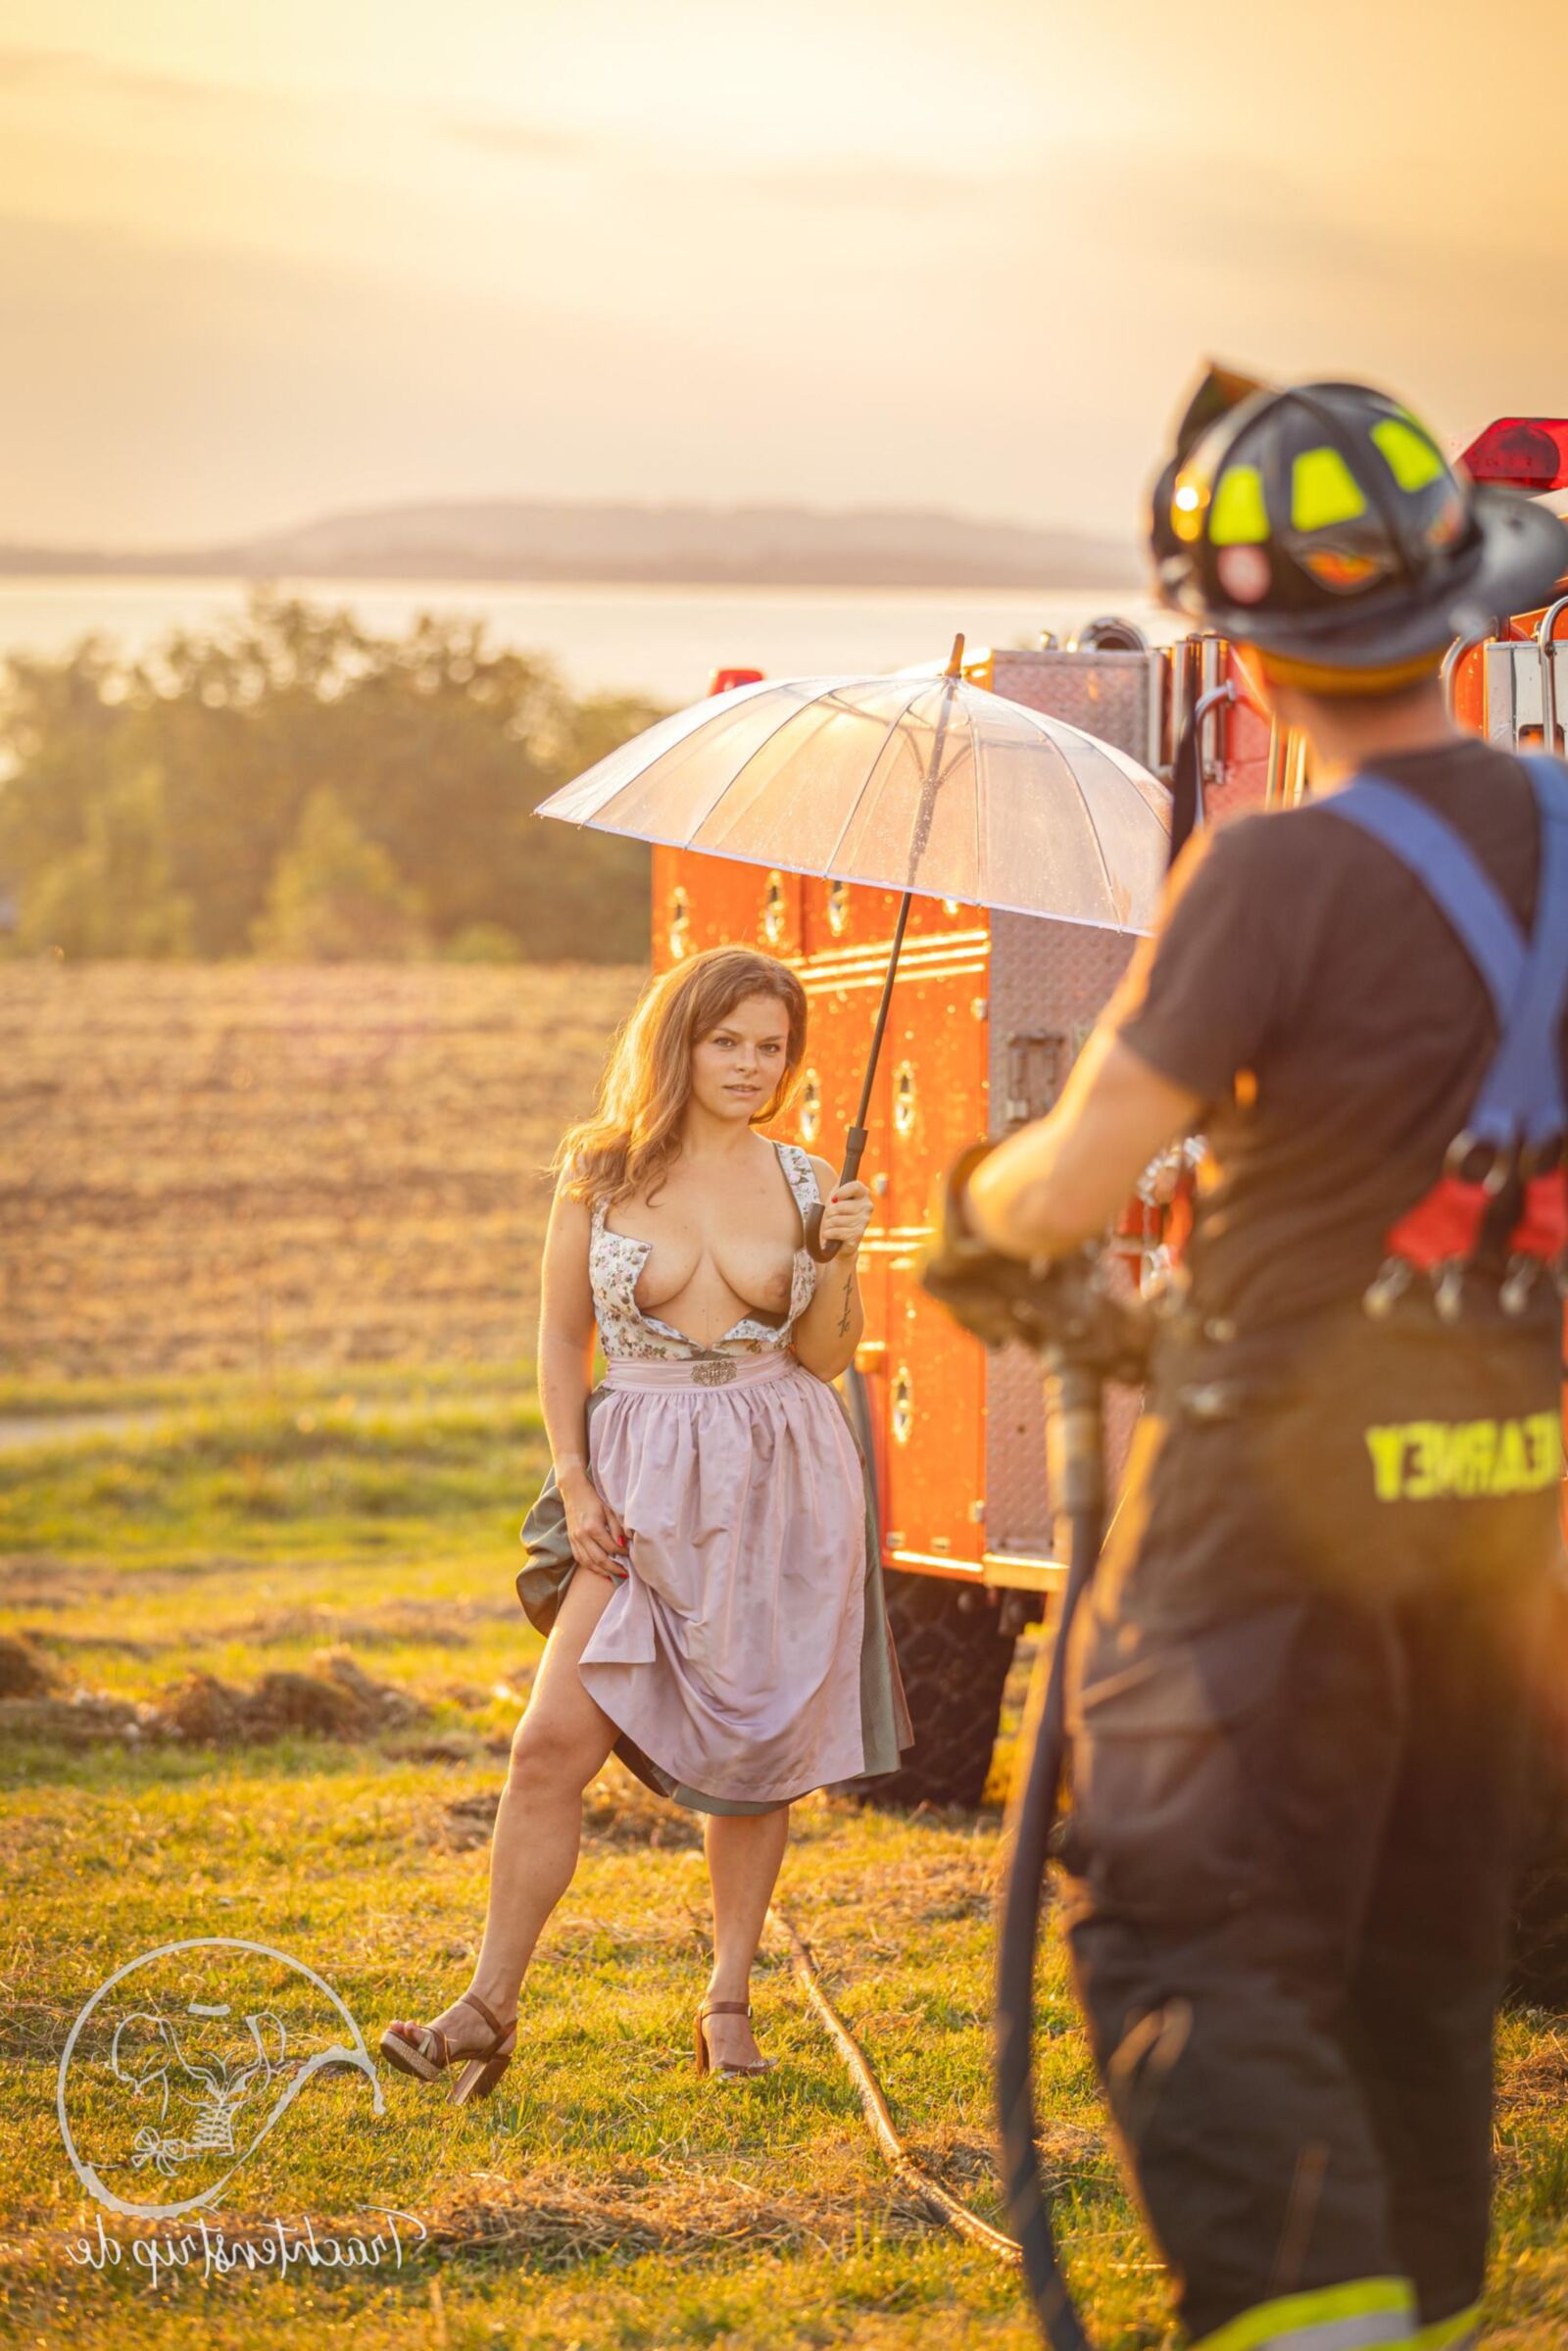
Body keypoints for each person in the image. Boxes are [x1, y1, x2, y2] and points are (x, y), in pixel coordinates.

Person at [928, 369, 1568, 2350]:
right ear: (1457, 602)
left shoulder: (1274, 875)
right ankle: (1422, 2303)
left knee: (1189, 1927)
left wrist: (982, 1201)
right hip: (1494, 1489)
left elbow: (1074, 1179)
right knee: (1411, 1942)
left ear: (1243, 647)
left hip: (1273, 1489)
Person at [381, 943, 910, 2100]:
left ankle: (727, 1997)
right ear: (680, 1038)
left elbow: (823, 1360)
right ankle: (486, 2005)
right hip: (635, 1476)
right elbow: (561, 1338)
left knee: (757, 1755)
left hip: (779, 1473)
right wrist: (573, 1481)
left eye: (771, 1047)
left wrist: (841, 1259)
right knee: (546, 1745)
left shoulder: (813, 1181)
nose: (750, 1064)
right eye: (728, 1040)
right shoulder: (601, 1168)